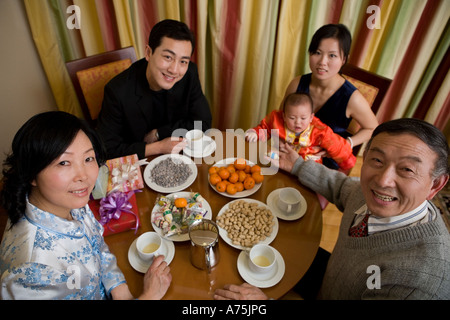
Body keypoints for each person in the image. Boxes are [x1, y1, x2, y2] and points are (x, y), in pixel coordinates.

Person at [215, 118, 450, 300]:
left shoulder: (420, 284)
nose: (383, 180)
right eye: (377, 160)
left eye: (407, 170)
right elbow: (342, 187)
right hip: (331, 277)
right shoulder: (369, 196)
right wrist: (298, 165)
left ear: (436, 184)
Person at [0, 111, 171, 300]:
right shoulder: (32, 270)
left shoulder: (68, 201)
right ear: (32, 173)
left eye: (88, 159)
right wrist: (150, 296)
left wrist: (121, 291)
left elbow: (96, 245)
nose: (83, 176)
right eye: (64, 163)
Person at [97, 19, 212, 159]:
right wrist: (158, 147)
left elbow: (203, 122)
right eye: (168, 57)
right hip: (139, 163)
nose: (174, 70)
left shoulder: (189, 74)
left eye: (183, 61)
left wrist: (159, 133)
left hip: (179, 156)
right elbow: (107, 149)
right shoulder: (117, 91)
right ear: (148, 53)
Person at [282, 24, 379, 169]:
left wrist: (346, 143)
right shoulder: (297, 83)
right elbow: (280, 118)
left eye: (332, 55)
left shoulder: (352, 97)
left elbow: (373, 128)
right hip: (291, 153)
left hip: (324, 165)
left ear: (344, 59)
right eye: (317, 52)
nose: (322, 62)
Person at [245, 92, 356, 171]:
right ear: (284, 116)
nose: (298, 123)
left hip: (308, 162)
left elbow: (337, 146)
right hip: (282, 156)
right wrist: (255, 133)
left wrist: (347, 162)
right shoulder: (276, 119)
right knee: (264, 160)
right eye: (292, 118)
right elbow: (265, 128)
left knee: (311, 176)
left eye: (303, 118)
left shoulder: (320, 131)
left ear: (311, 117)